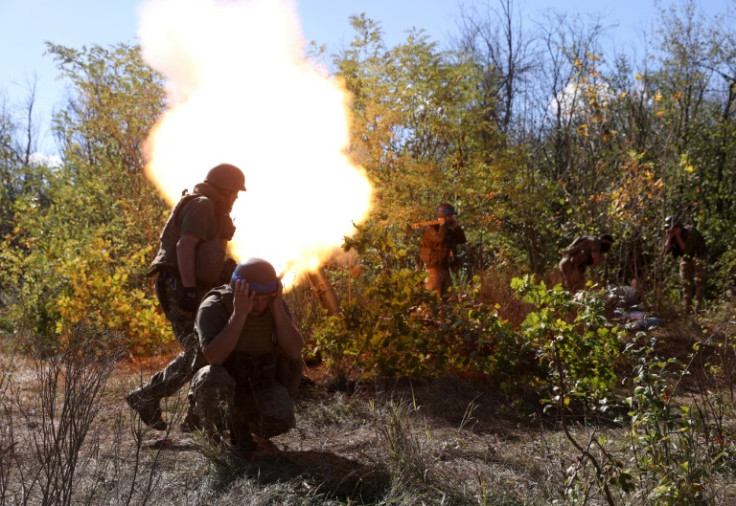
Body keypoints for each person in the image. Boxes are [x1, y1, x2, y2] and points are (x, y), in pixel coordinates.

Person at [126, 163, 246, 430]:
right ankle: (153, 398)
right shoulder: (202, 205)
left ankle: (191, 416)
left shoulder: (212, 208)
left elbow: (204, 253)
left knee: (205, 348)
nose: (236, 199)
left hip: (191, 286)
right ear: (224, 190)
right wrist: (191, 289)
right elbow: (185, 245)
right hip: (179, 286)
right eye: (234, 193)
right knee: (200, 348)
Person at [188, 258, 304, 455]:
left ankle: (241, 426)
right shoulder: (214, 307)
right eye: (253, 297)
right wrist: (239, 314)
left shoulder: (275, 307)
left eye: (264, 298)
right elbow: (214, 357)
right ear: (238, 291)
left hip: (257, 386)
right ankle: (208, 422)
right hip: (222, 385)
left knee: (281, 419)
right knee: (212, 376)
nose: (259, 304)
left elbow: (294, 351)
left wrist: (276, 309)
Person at [418, 202, 467, 297]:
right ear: (443, 216)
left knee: (447, 300)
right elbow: (440, 239)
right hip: (433, 271)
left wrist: (456, 227)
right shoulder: (430, 230)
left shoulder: (447, 231)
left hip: (445, 269)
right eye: (449, 216)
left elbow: (462, 240)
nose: (451, 218)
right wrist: (443, 225)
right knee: (432, 300)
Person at [663, 215, 707, 313]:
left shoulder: (690, 233)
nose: (670, 230)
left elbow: (687, 250)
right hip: (686, 259)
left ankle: (698, 308)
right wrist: (670, 237)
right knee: (685, 283)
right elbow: (666, 252)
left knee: (698, 282)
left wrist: (678, 236)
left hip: (697, 257)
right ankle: (687, 307)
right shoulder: (671, 234)